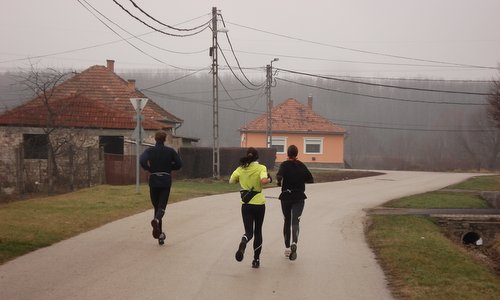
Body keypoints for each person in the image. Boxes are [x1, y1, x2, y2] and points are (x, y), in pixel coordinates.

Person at [229, 147, 272, 268]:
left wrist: (241, 179)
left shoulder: (240, 168)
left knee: (248, 232)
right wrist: (269, 179)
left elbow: (231, 181)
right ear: (257, 157)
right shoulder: (261, 168)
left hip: (246, 204)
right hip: (259, 204)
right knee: (258, 231)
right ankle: (256, 260)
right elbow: (263, 181)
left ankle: (243, 241)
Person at [140, 130, 182, 245]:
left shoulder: (150, 151)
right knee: (161, 207)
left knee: (156, 207)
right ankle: (157, 225)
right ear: (165, 139)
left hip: (153, 181)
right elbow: (179, 164)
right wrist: (169, 167)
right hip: (165, 181)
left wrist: (149, 168)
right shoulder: (170, 151)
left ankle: (160, 234)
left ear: (155, 139)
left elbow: (142, 160)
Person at [276, 145, 313, 260]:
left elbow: (279, 176)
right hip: (299, 197)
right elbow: (310, 179)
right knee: (295, 221)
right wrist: (300, 179)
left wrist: (279, 182)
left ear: (287, 153)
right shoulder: (301, 165)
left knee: (287, 221)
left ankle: (287, 248)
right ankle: (294, 242)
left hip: (286, 196)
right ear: (297, 153)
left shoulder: (284, 164)